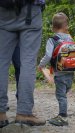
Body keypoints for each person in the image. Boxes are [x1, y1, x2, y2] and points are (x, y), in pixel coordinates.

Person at [38, 12, 75, 126]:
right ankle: (63, 107)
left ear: (53, 27)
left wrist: (41, 65)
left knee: (61, 95)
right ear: (66, 26)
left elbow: (48, 56)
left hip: (60, 72)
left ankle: (62, 116)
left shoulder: (53, 40)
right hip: (71, 72)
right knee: (64, 93)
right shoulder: (70, 39)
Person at [0, 0, 46, 128]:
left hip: (3, 9)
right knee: (28, 62)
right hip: (31, 9)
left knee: (1, 62)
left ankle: (0, 113)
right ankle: (24, 113)